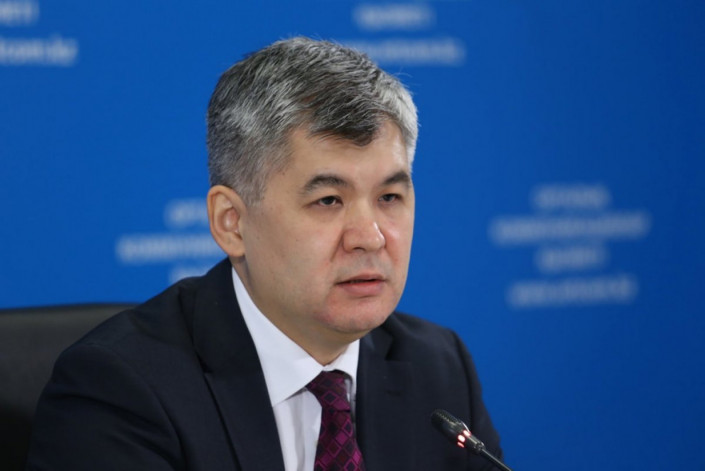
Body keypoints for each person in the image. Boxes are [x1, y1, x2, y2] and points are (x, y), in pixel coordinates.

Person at [26, 37, 503, 470]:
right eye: (328, 200)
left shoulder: (438, 368)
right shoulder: (120, 390)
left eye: (390, 197)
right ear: (231, 222)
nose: (371, 237)